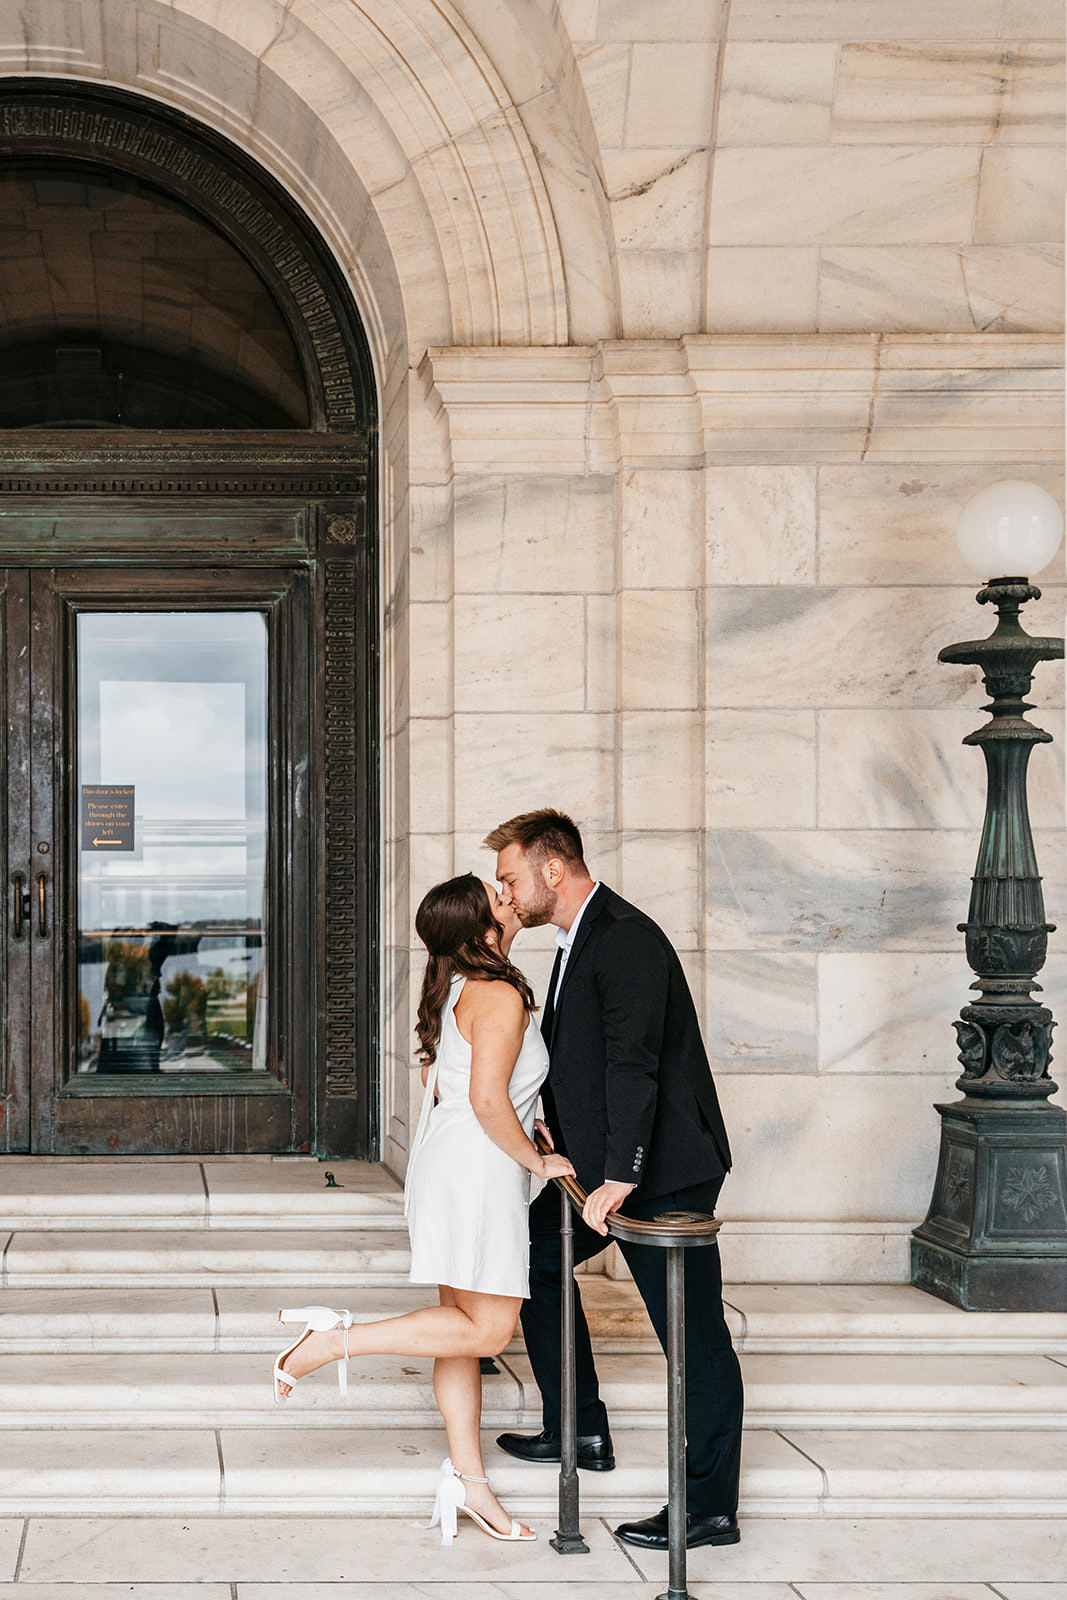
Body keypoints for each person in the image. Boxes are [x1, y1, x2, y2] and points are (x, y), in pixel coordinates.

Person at [270, 872, 574, 1545]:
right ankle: (330, 1342)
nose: (509, 897)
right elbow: (490, 1101)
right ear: (479, 930)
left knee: (459, 1330)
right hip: (478, 1171)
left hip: (455, 1163)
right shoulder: (493, 993)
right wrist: (538, 1159)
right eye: (497, 898)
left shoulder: (463, 985)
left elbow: (468, 1088)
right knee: (488, 1334)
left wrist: (530, 1124)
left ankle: (471, 1487)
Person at [486, 809, 744, 1551]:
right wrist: (555, 1130)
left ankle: (707, 1508)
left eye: (510, 879)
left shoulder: (624, 937)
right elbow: (586, 1060)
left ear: (552, 869)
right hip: (599, 1167)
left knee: (692, 1340)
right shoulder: (577, 938)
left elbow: (633, 1062)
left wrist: (622, 1174)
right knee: (531, 1263)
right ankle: (580, 1429)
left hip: (663, 1175)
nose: (505, 894)